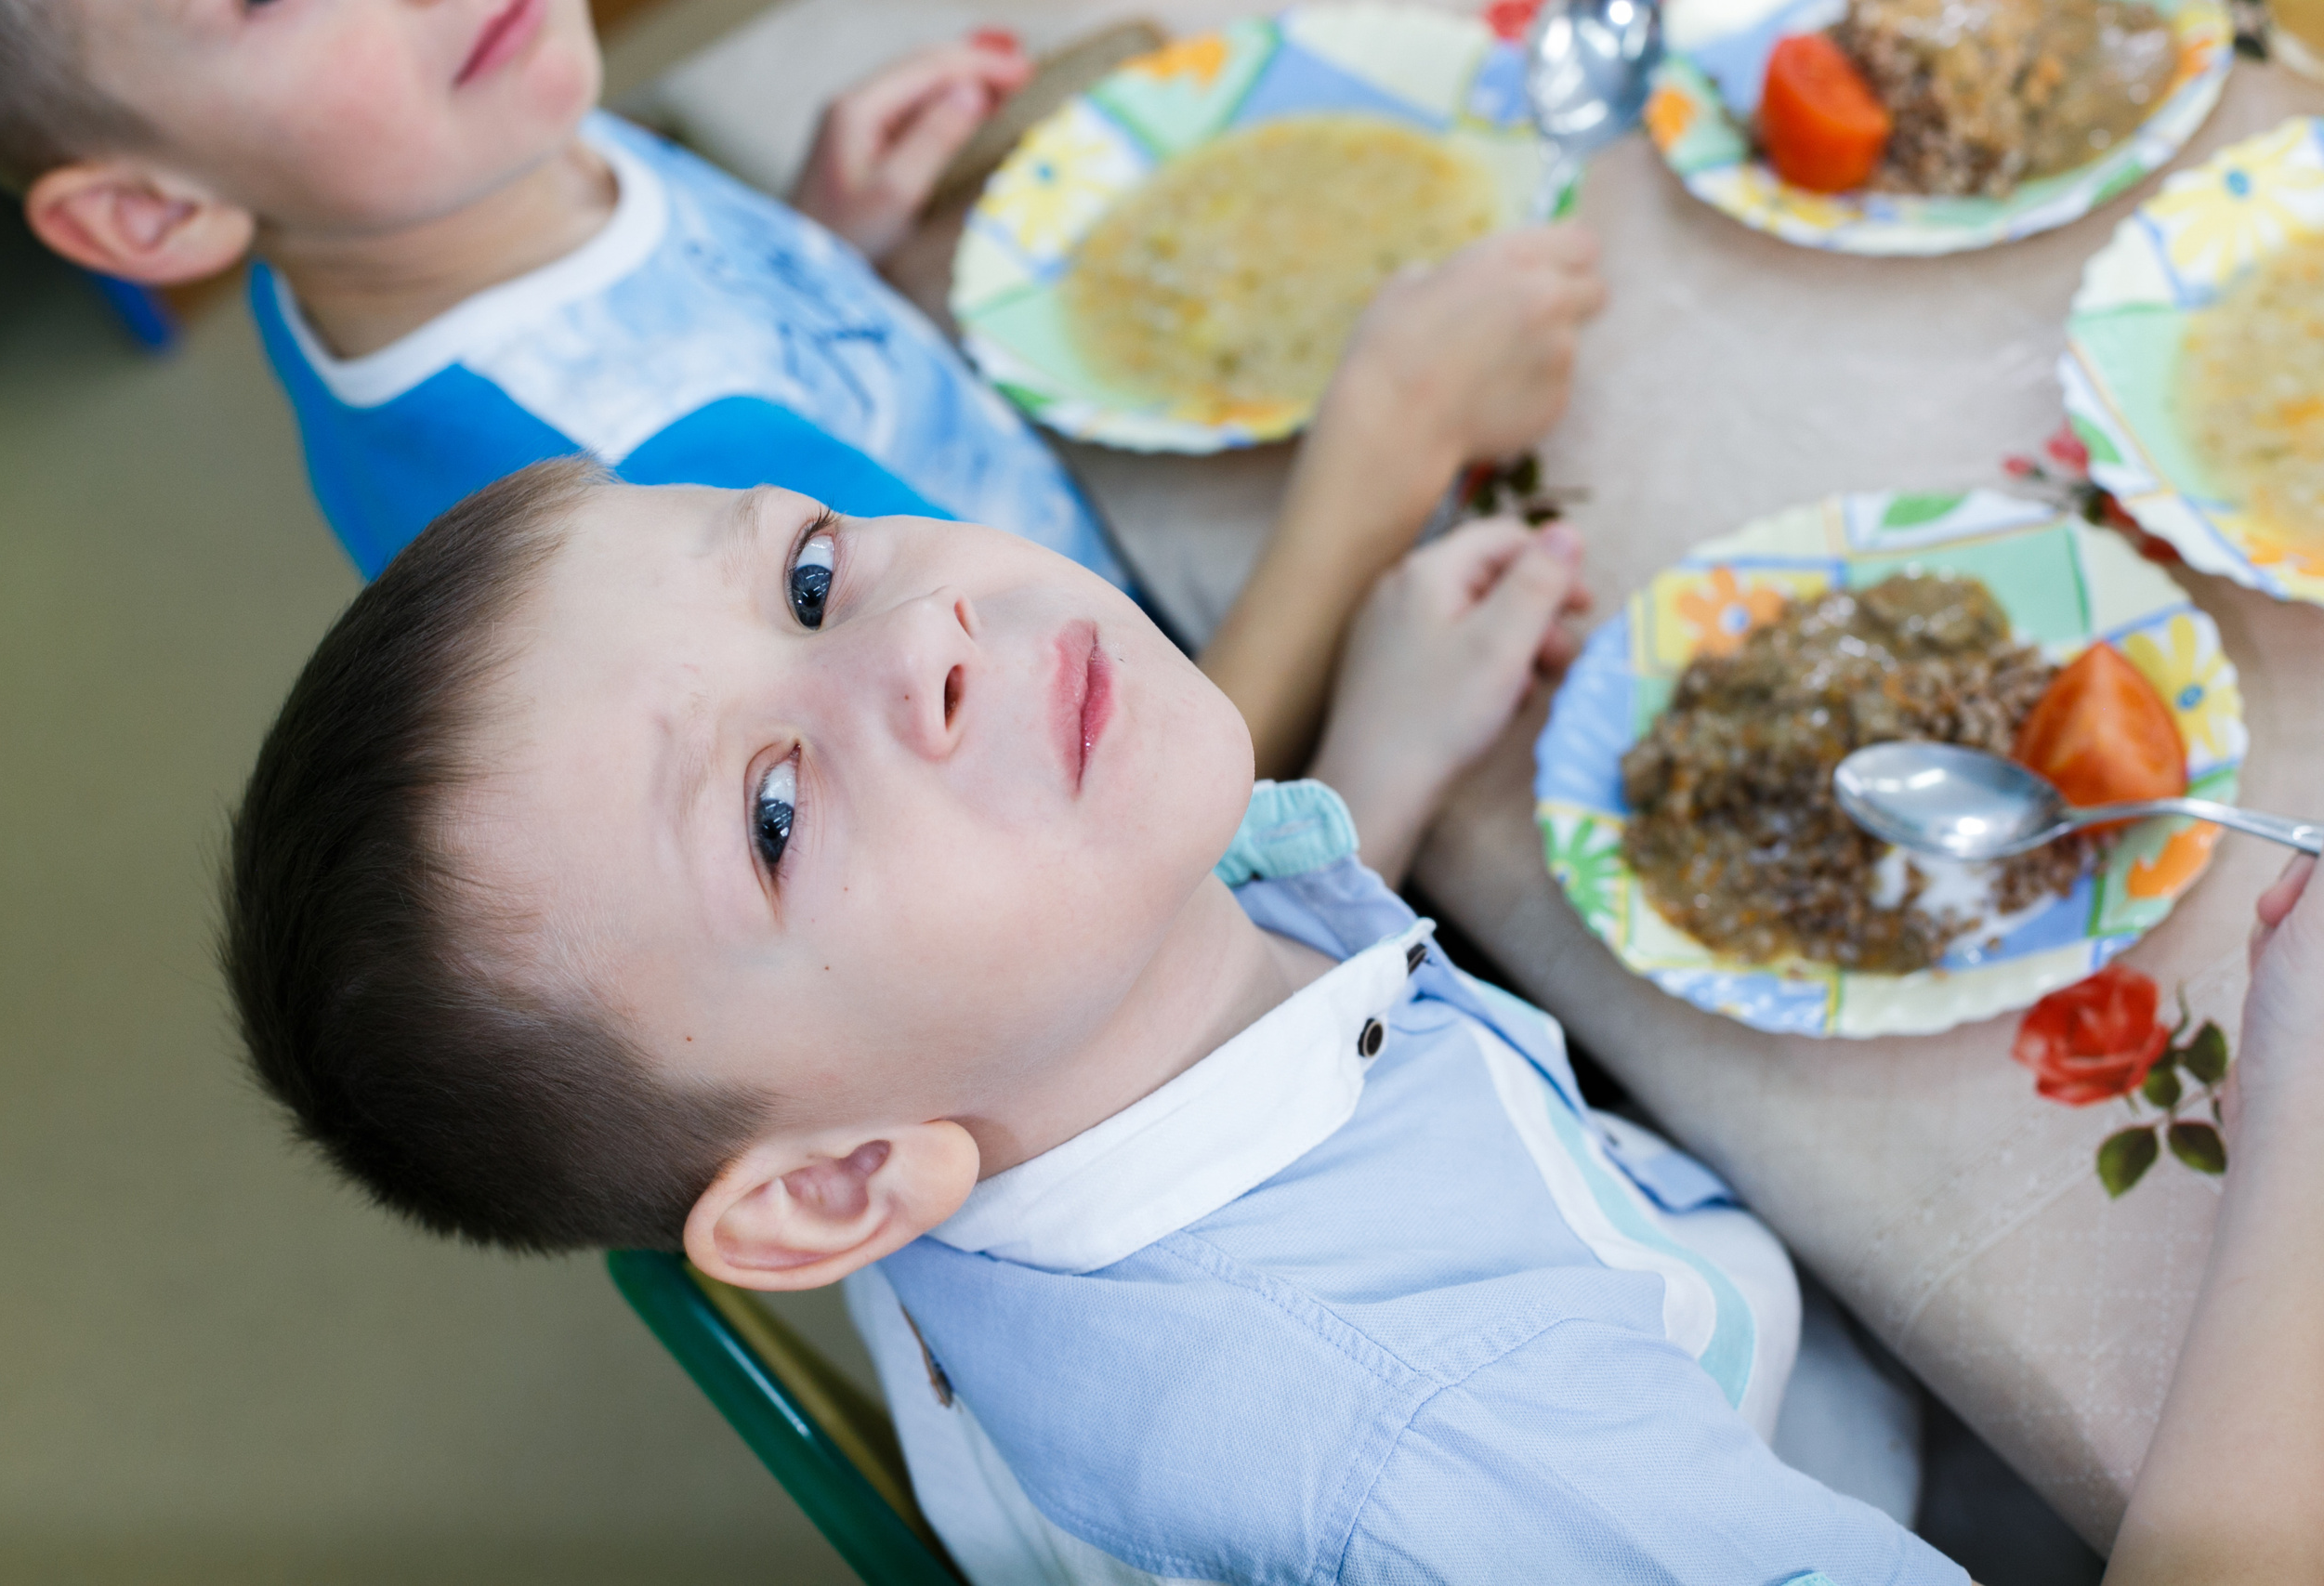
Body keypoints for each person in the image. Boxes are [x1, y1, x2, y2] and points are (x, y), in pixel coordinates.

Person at [225, 457, 2305, 1586]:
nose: (922, 633)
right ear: (837, 1180)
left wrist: (1359, 774)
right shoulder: (1422, 1452)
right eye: (768, 812)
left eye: (806, 572)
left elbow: (1158, 962)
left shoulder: (980, 1041)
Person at [0, 0, 1604, 777]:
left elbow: (657, 337)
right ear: (153, 216)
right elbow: (1137, 818)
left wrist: (828, 245)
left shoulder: (457, 170)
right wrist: (1388, 442)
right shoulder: (644, 483)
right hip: (1155, 719)